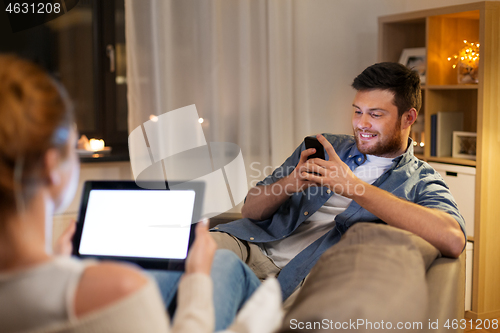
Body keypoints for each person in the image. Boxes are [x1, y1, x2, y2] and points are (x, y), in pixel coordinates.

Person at [0, 54, 281, 333]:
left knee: (221, 261)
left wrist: (58, 264)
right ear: (51, 166)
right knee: (224, 265)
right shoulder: (122, 290)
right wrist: (196, 280)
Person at [211, 62, 467, 309]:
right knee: (185, 264)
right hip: (250, 245)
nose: (361, 124)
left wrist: (353, 186)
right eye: (357, 111)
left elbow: (453, 239)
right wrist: (291, 182)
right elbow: (250, 211)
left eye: (375, 114)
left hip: (306, 277)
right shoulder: (322, 147)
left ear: (408, 117)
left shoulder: (421, 180)